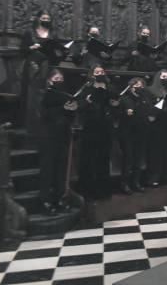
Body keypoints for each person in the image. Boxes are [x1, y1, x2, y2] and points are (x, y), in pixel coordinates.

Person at [76, 65, 119, 199]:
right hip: (90, 128)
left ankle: (104, 190)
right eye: (96, 72)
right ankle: (89, 191)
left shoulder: (110, 88)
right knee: (89, 160)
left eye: (101, 71)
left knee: (104, 160)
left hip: (105, 128)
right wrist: (88, 101)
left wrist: (114, 104)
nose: (99, 74)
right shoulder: (87, 88)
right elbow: (79, 107)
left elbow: (116, 105)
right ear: (92, 75)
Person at [39, 69, 77, 213]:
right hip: (48, 136)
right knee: (48, 169)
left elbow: (70, 118)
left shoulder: (63, 95)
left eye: (61, 78)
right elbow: (45, 114)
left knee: (61, 169)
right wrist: (62, 108)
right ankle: (45, 201)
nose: (59, 80)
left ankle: (59, 198)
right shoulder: (45, 95)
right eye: (56, 78)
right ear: (49, 80)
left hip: (63, 135)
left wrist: (71, 109)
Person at [20, 10, 57, 129]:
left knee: (46, 93)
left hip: (48, 66)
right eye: (43, 18)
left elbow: (56, 50)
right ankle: (28, 124)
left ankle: (45, 124)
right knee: (31, 94)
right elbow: (22, 50)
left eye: (48, 19)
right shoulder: (30, 32)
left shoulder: (53, 33)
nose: (46, 20)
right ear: (38, 19)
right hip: (33, 66)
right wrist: (32, 47)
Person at [119, 77, 158, 190]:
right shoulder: (125, 98)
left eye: (141, 86)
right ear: (130, 87)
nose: (139, 88)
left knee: (138, 159)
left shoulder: (145, 98)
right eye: (136, 86)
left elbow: (152, 110)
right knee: (128, 158)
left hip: (141, 132)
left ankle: (135, 182)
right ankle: (124, 183)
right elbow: (119, 113)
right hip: (128, 132)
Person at [148, 70, 167, 187]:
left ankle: (166, 175)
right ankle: (154, 177)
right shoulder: (151, 90)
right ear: (158, 77)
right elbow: (150, 108)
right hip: (157, 123)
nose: (165, 79)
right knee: (156, 152)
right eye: (163, 76)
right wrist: (163, 101)